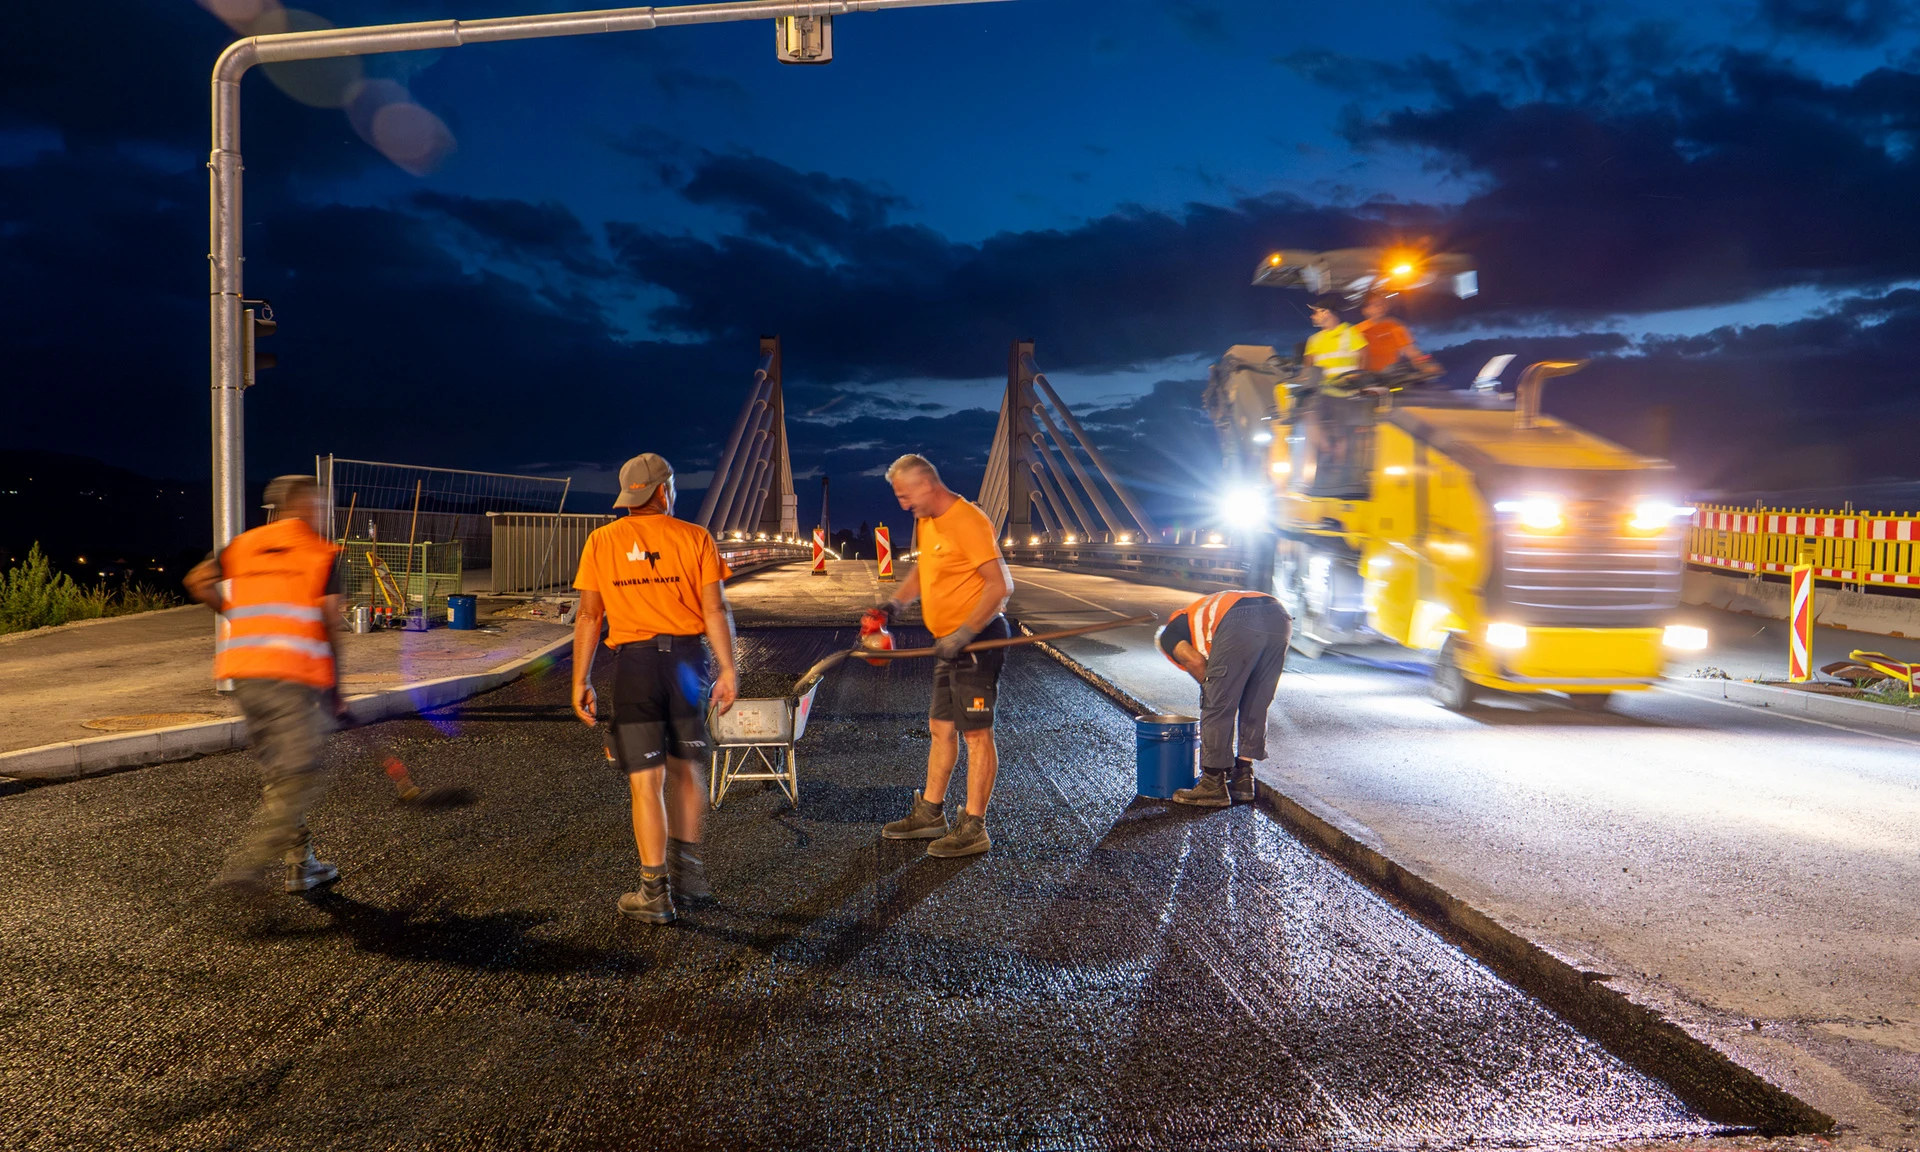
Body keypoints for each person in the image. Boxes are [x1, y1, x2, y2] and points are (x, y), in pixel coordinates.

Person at [570, 453, 739, 924]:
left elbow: (588, 615)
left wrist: (581, 680)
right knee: (686, 769)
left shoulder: (601, 541)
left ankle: (654, 893)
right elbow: (714, 611)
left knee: (647, 782)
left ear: (631, 496)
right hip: (686, 664)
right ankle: (691, 875)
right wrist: (728, 670)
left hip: (635, 667)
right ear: (664, 491)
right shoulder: (695, 537)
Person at [184, 474, 348, 894]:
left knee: (280, 774)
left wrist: (237, 615)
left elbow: (197, 581)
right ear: (306, 506)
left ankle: (302, 863)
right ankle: (248, 866)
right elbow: (330, 622)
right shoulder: (322, 553)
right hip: (294, 678)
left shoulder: (244, 545)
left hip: (246, 673)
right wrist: (337, 687)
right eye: (319, 504)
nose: (322, 512)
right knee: (299, 774)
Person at [869, 454, 1013, 857]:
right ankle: (931, 813)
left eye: (904, 496)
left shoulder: (968, 520)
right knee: (939, 727)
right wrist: (894, 605)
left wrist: (966, 631)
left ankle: (974, 826)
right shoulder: (927, 519)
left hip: (977, 643)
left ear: (926, 485)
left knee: (976, 734)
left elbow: (1000, 585)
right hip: (949, 643)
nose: (902, 505)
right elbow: (925, 569)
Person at [1155, 589, 1292, 808]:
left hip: (1241, 619)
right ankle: (1243, 777)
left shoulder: (1168, 635)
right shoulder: (1196, 614)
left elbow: (1197, 663)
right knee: (1256, 700)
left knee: (1217, 702)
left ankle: (1212, 784)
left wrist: (1215, 688)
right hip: (1280, 617)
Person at [1356, 291, 1439, 378]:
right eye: (1375, 304)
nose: (1380, 307)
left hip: (1392, 377)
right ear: (1365, 310)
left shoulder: (1394, 326)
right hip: (1366, 381)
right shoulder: (1356, 331)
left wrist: (1426, 366)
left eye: (1382, 303)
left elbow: (1411, 351)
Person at [1302, 294, 1369, 393]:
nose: (1312, 316)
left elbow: (1364, 356)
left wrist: (1357, 378)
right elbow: (1308, 367)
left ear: (1326, 313)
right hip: (1324, 395)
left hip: (1348, 393)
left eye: (1315, 313)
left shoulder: (1350, 333)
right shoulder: (1313, 339)